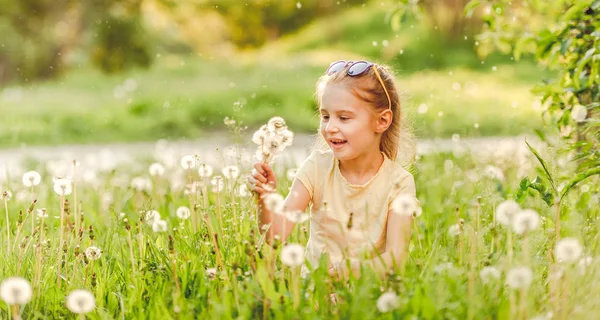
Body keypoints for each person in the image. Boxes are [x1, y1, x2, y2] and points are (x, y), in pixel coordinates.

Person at [248, 59, 419, 279]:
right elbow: (276, 235)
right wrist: (265, 197)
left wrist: (348, 272)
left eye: (344, 118)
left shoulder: (399, 182)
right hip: (317, 294)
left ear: (382, 121)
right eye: (325, 116)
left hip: (367, 294)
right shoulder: (317, 168)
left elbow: (396, 258)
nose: (330, 128)